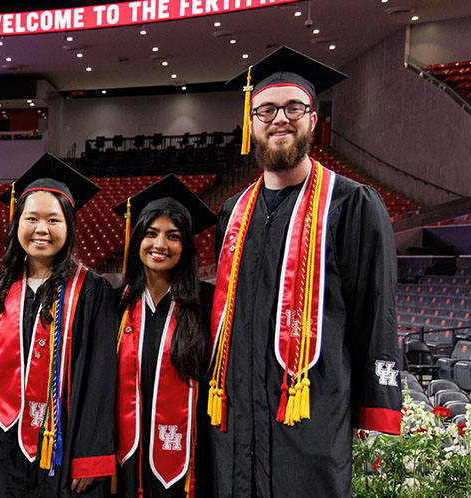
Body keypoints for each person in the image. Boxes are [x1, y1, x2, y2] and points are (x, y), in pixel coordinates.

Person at [206, 47, 403, 497]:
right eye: (267, 109)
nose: (280, 119)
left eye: (294, 107)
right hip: (236, 418)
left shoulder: (352, 204)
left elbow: (377, 312)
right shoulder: (232, 213)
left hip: (311, 414)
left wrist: (373, 409)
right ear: (251, 123)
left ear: (314, 119)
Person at [0, 153, 118, 497]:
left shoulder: (92, 291)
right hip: (1, 447)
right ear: (17, 224)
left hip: (63, 449)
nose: (42, 229)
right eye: (32, 218)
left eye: (53, 220)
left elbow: (100, 379)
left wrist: (89, 455)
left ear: (69, 228)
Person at [110, 175, 216, 498]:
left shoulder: (208, 305)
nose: (160, 245)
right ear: (137, 238)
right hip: (124, 460)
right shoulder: (115, 304)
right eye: (151, 234)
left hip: (190, 461)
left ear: (186, 245)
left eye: (173, 236)